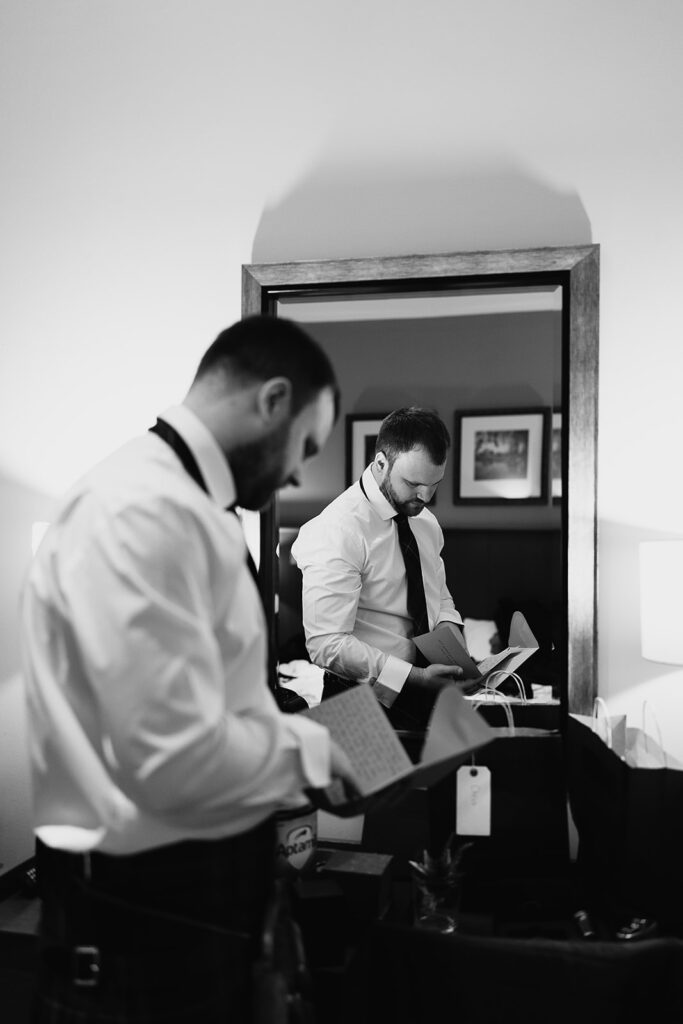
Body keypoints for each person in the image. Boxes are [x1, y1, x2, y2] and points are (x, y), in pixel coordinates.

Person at [20, 314, 358, 1024]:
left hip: (190, 902)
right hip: (137, 918)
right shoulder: (141, 511)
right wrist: (313, 749)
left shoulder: (191, 507)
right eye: (306, 444)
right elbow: (170, 756)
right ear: (271, 399)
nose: (299, 471)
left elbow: (219, 701)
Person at [292, 406, 467, 732]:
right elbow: (326, 644)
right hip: (358, 700)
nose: (426, 496)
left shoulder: (426, 524)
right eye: (414, 483)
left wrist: (458, 655)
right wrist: (414, 677)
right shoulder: (338, 529)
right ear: (381, 463)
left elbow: (439, 599)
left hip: (429, 699)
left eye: (435, 483)